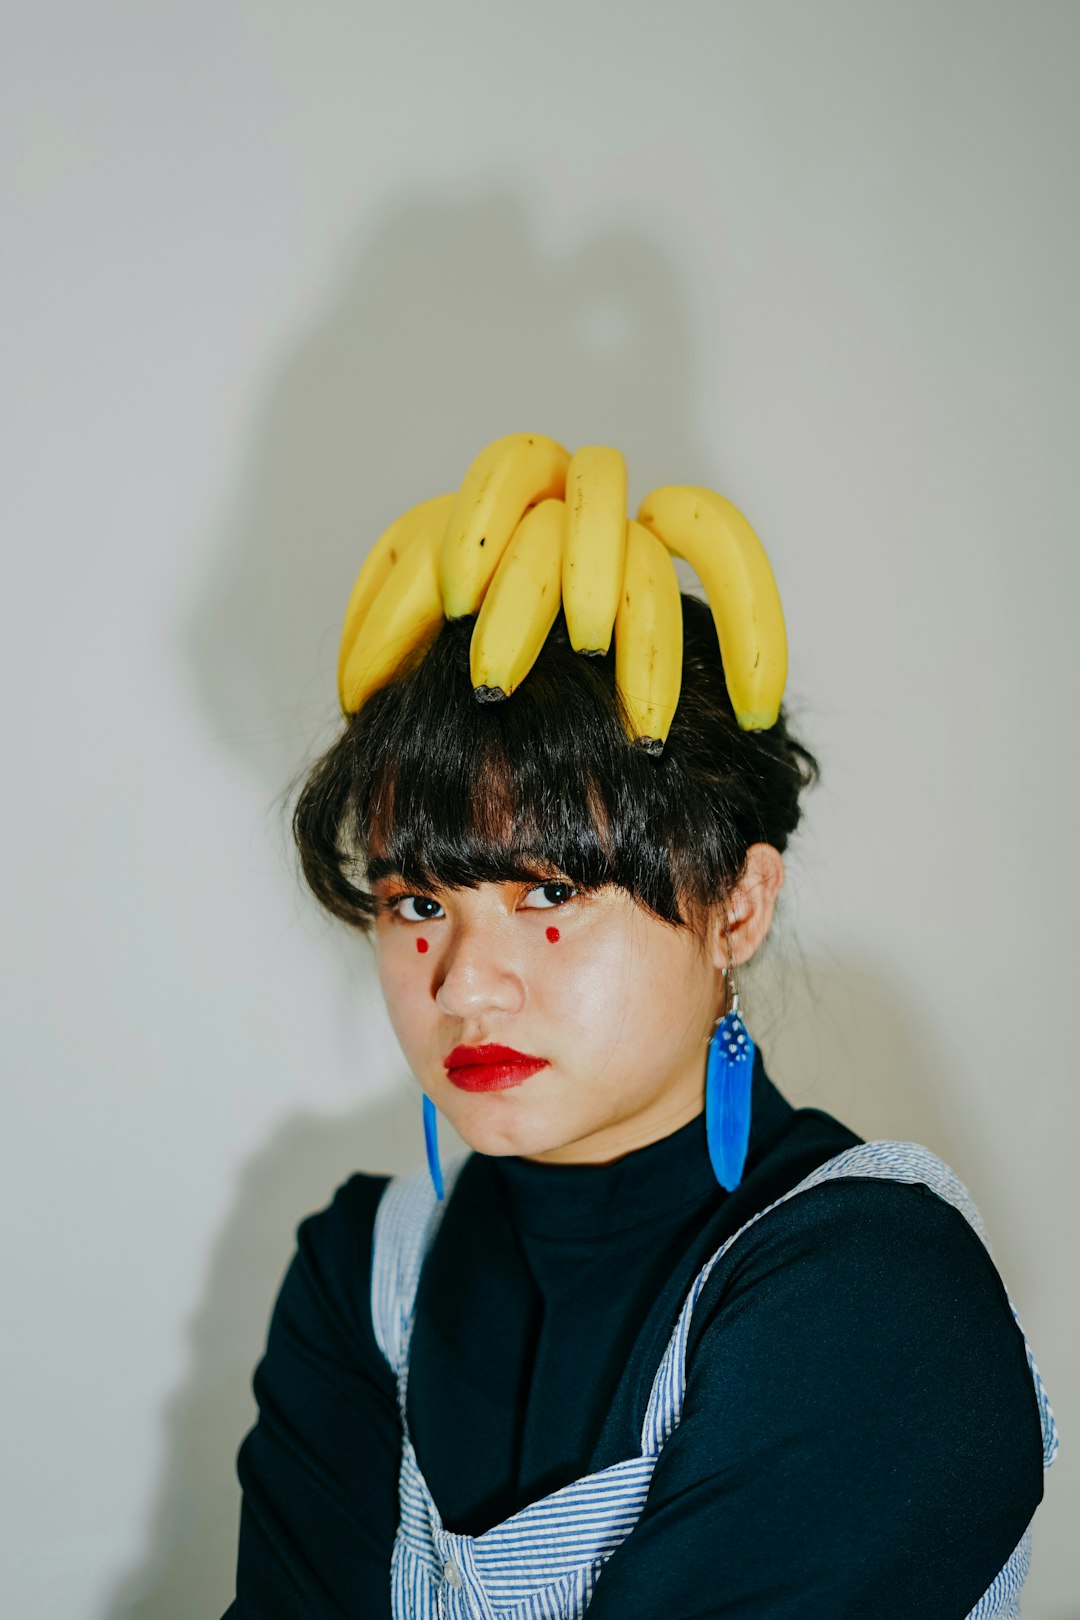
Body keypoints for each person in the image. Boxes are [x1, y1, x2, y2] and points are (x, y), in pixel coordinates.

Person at [222, 445, 1058, 1618]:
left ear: (738, 905)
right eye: (420, 903)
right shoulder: (363, 1278)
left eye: (549, 893)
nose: (465, 984)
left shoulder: (871, 1303)